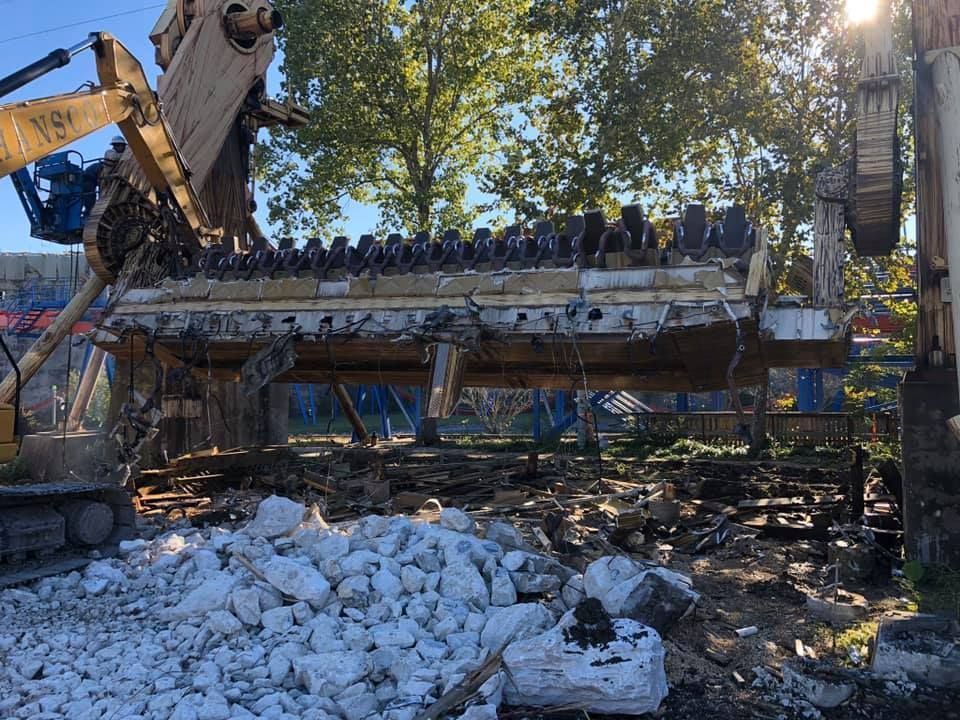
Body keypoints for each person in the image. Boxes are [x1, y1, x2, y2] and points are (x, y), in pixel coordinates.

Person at [81, 136, 127, 217]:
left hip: (98, 174)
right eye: (118, 145)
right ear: (115, 146)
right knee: (89, 193)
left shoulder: (120, 153)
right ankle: (89, 212)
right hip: (92, 173)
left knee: (93, 192)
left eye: (122, 146)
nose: (121, 147)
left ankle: (90, 212)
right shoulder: (110, 152)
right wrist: (126, 154)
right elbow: (113, 157)